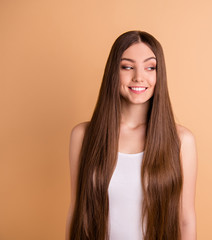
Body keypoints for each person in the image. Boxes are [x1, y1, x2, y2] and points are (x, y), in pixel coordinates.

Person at [65, 30, 198, 240]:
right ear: (113, 73)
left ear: (158, 74)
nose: (139, 77)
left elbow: (186, 219)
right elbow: (76, 211)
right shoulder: (83, 136)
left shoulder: (182, 141)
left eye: (150, 67)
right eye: (127, 67)